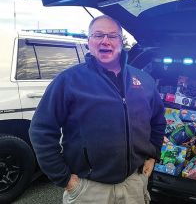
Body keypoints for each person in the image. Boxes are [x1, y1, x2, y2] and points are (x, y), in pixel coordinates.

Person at [29, 15, 166, 204]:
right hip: (88, 189)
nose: (105, 41)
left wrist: (153, 155)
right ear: (89, 41)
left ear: (121, 41)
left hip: (134, 183)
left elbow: (158, 121)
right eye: (98, 35)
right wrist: (64, 178)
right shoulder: (69, 81)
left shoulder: (144, 80)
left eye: (112, 36)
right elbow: (41, 130)